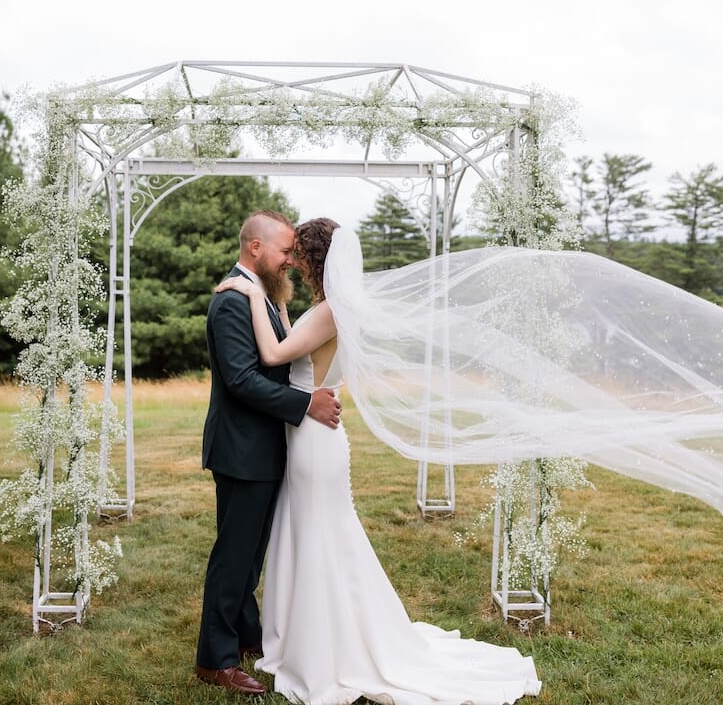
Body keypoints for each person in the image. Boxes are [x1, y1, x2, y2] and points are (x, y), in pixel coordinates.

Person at [216, 217, 542, 705]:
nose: (290, 262)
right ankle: (304, 635)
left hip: (312, 440)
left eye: (296, 254)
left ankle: (330, 645)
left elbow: (273, 352)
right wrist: (276, 301)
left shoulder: (327, 312)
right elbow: (292, 352)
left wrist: (247, 292)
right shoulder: (329, 308)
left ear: (312, 259)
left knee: (323, 537)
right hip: (311, 436)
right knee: (310, 535)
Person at [194, 210, 342, 697]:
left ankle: (246, 635)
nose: (287, 260)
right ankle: (214, 658)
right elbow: (241, 380)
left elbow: (276, 358)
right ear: (255, 249)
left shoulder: (260, 297)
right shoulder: (232, 301)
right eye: (282, 251)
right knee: (233, 556)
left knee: (250, 552)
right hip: (242, 449)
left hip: (264, 447)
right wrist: (306, 404)